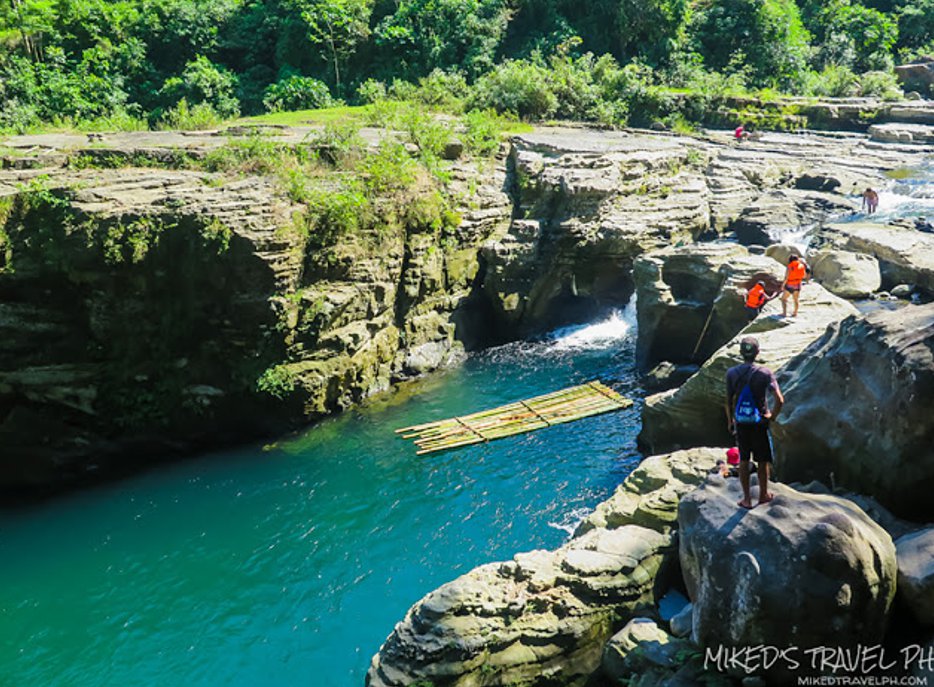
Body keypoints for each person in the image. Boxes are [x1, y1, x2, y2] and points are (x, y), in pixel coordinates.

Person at [725, 336, 784, 509]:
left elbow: (728, 400)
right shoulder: (765, 373)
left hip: (741, 421)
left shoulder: (731, 373)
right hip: (760, 422)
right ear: (758, 353)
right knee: (762, 460)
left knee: (744, 459)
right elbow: (779, 399)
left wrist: (730, 421)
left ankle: (747, 500)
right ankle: (764, 495)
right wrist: (772, 416)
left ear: (741, 353)